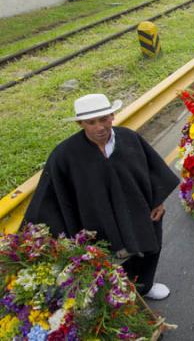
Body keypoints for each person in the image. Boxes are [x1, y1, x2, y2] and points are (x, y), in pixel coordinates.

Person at [24, 93, 179, 300]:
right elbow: (54, 194)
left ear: (112, 116)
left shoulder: (129, 138)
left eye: (104, 119)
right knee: (105, 259)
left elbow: (150, 169)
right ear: (80, 123)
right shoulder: (64, 155)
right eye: (91, 122)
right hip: (96, 221)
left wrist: (157, 200)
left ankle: (145, 286)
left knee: (148, 245)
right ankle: (114, 296)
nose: (100, 127)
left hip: (137, 210)